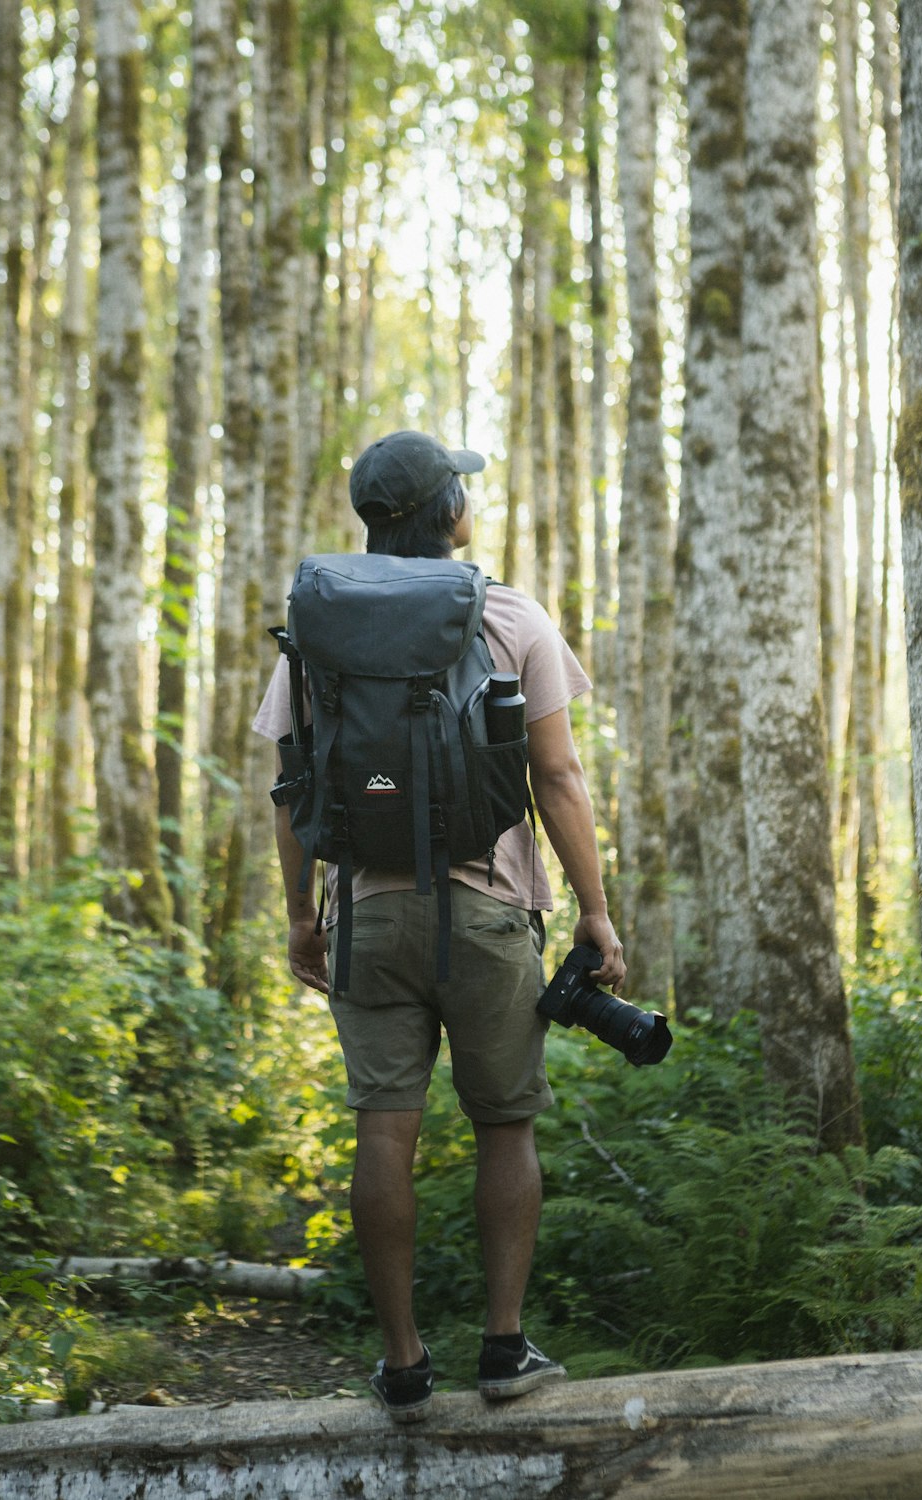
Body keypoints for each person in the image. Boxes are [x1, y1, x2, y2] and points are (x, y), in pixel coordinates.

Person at [253, 430, 626, 1422]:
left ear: (373, 517)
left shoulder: (317, 625)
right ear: (448, 513)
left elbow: (291, 788)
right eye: (462, 487)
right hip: (490, 909)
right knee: (504, 1123)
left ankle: (405, 1367)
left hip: (367, 912)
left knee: (385, 1125)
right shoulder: (506, 615)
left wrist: (300, 915)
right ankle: (503, 1351)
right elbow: (556, 777)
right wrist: (593, 910)